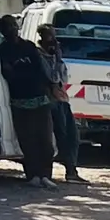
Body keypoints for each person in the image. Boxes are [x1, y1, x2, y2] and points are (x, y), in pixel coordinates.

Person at [0, 17, 58, 187]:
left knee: (45, 140)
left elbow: (40, 69)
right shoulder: (3, 50)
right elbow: (8, 74)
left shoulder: (29, 46)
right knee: (27, 141)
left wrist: (51, 87)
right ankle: (33, 175)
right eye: (6, 27)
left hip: (40, 98)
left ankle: (46, 175)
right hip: (20, 101)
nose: (11, 29)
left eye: (12, 25)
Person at [35, 24, 81, 183]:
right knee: (59, 135)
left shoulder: (55, 57)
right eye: (50, 36)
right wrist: (54, 59)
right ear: (42, 37)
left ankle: (72, 170)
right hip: (49, 100)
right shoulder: (39, 55)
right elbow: (52, 78)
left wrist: (58, 57)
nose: (53, 40)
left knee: (73, 135)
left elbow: (63, 77)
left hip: (61, 99)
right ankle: (51, 172)